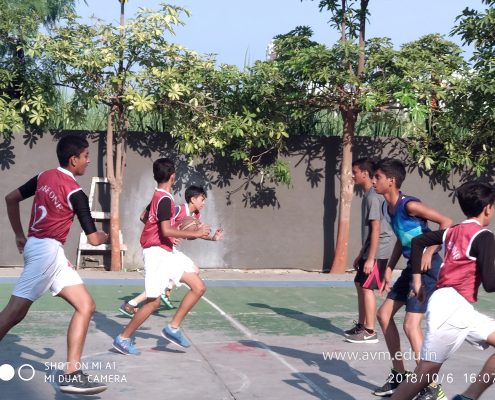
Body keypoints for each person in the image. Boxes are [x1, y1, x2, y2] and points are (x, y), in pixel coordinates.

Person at [1, 135, 109, 395]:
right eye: (86, 156)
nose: (88, 160)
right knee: (13, 313)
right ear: (73, 160)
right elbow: (94, 239)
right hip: (46, 252)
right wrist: (106, 234)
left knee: (86, 306)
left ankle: (72, 374)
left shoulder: (43, 176)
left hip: (46, 250)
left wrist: (19, 235)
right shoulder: (76, 193)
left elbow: (10, 198)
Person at [390, 181, 495, 400]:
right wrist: (417, 281)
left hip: (456, 306)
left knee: (426, 372)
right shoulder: (484, 236)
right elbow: (490, 283)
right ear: (487, 208)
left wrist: (417, 280)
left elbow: (418, 242)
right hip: (451, 307)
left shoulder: (453, 231)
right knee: (426, 373)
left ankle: (468, 396)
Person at [113, 158, 212, 355]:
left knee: (198, 287)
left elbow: (144, 217)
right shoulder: (165, 199)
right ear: (173, 177)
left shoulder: (158, 196)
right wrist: (191, 233)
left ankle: (172, 328)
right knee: (153, 303)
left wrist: (166, 233)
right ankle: (123, 338)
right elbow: (166, 230)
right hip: (156, 254)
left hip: (165, 252)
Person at [372, 158, 453, 399]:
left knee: (411, 325)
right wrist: (389, 267)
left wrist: (429, 251)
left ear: (391, 181)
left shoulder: (410, 205)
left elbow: (447, 223)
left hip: (428, 268)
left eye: (377, 177)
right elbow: (402, 238)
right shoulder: (388, 208)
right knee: (383, 315)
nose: (373, 181)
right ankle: (400, 375)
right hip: (411, 266)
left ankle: (431, 386)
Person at [118, 185, 223, 317]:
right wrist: (168, 236)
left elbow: (195, 234)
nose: (204, 203)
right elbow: (152, 222)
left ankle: (161, 290)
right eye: (202, 199)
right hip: (160, 249)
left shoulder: (195, 215)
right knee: (159, 285)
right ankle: (133, 303)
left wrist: (212, 238)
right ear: (193, 199)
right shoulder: (177, 210)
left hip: (169, 249)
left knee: (194, 270)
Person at [344, 158, 394, 344]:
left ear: (365, 173)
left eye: (355, 172)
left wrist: (371, 258)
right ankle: (362, 325)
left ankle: (370, 331)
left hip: (379, 249)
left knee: (367, 287)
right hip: (370, 249)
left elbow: (376, 228)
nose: (352, 175)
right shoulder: (368, 195)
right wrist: (361, 254)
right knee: (360, 284)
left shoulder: (373, 197)